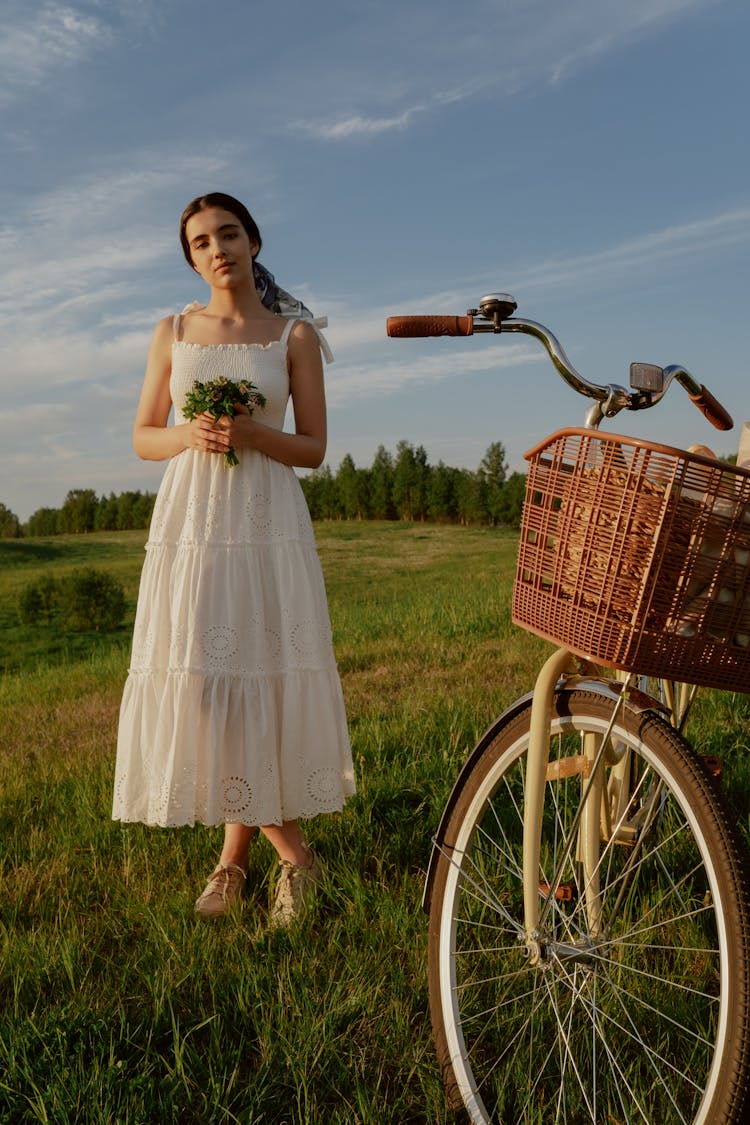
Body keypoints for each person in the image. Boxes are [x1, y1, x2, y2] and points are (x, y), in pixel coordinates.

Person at [112, 192, 355, 923]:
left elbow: (312, 447)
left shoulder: (294, 337)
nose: (216, 248)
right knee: (205, 684)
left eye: (227, 233)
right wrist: (191, 434)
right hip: (194, 521)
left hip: (267, 520)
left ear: (253, 240)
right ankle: (296, 856)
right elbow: (143, 435)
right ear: (191, 257)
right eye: (200, 242)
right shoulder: (174, 331)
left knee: (261, 677)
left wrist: (251, 435)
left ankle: (233, 865)